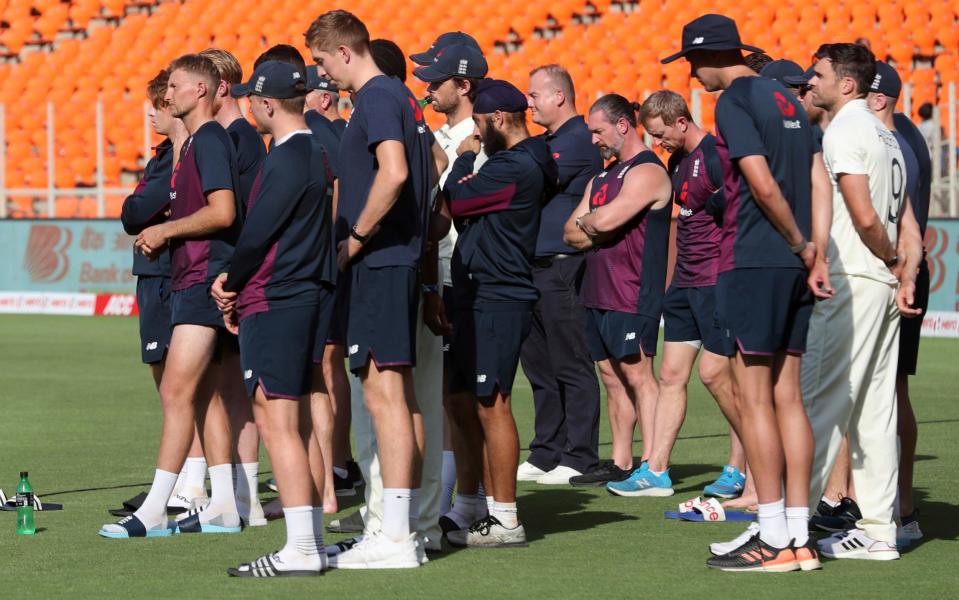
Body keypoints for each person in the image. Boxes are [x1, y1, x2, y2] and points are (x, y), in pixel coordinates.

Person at [662, 14, 824, 572]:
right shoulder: (786, 96)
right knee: (789, 399)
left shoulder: (733, 102)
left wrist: (799, 242)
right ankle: (800, 537)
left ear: (707, 57)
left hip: (755, 258)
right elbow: (817, 175)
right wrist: (814, 249)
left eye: (690, 63)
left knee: (756, 399)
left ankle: (775, 536)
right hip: (795, 262)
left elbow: (758, 177)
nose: (691, 75)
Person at [305, 10, 433, 569]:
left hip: (381, 262)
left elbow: (397, 172)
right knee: (395, 398)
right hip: (394, 260)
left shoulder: (379, 97)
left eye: (322, 60)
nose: (321, 73)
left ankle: (396, 536)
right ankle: (400, 526)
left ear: (345, 52)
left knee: (384, 397)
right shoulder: (398, 98)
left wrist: (355, 237)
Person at [101, 53, 241, 538]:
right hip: (194, 277)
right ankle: (223, 504)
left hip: (203, 277)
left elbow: (223, 212)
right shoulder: (199, 142)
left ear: (199, 91)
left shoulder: (207, 141)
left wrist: (165, 233)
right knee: (203, 395)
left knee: (178, 391)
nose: (166, 96)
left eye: (174, 86)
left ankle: (160, 506)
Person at [211, 59, 335, 577]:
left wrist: (230, 283)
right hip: (303, 293)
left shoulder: (288, 156)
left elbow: (258, 232)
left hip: (277, 297)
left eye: (252, 99)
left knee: (276, 419)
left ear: (265, 103)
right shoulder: (315, 151)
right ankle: (313, 540)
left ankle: (302, 549)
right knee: (296, 418)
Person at [804, 44, 924, 561]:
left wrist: (892, 261)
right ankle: (879, 532)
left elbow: (866, 217)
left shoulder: (846, 130)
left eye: (819, 74)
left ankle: (787, 526)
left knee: (819, 403)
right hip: (881, 284)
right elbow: (911, 224)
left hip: (854, 279)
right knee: (875, 414)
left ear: (847, 85)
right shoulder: (888, 136)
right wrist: (905, 272)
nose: (810, 82)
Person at [443, 78, 558, 548]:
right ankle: (469, 503)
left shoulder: (518, 164)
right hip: (476, 289)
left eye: (480, 124)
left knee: (493, 402)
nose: (476, 132)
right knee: (460, 399)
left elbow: (455, 198)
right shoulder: (519, 160)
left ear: (499, 120)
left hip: (499, 293)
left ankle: (506, 518)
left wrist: (466, 157)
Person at [636, 90, 746, 499]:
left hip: (716, 280)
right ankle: (656, 470)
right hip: (684, 281)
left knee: (717, 375)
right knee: (670, 374)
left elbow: (734, 216)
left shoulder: (717, 156)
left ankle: (743, 464)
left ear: (681, 121)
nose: (657, 142)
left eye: (660, 133)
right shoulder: (678, 160)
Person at [561, 94, 671, 497]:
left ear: (623, 125)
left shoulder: (647, 171)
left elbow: (601, 220)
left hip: (632, 291)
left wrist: (592, 222)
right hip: (597, 291)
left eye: (598, 130)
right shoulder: (603, 177)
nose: (593, 139)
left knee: (640, 376)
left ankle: (654, 465)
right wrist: (595, 224)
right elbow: (570, 233)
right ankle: (622, 461)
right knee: (611, 377)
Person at [119, 70, 208, 514]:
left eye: (160, 102)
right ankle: (184, 480)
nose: (152, 111)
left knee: (179, 384)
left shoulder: (184, 155)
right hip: (156, 274)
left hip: (168, 274)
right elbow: (134, 210)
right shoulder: (166, 155)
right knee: (168, 380)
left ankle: (190, 483)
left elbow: (137, 208)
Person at [412, 41, 492, 533]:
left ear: (463, 86)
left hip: (465, 274)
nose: (426, 87)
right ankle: (456, 497)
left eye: (436, 80)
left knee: (468, 397)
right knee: (448, 395)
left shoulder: (475, 139)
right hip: (444, 273)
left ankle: (474, 498)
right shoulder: (446, 136)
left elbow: (458, 210)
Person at [520, 64, 604, 486]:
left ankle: (580, 454)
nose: (528, 103)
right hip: (533, 266)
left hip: (562, 264)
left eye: (534, 95)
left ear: (559, 96)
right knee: (539, 365)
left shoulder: (579, 141)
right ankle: (546, 450)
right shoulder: (546, 142)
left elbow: (534, 180)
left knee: (570, 362)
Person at [199, 46, 268, 529]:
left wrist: (235, 278)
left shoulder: (238, 139)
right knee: (227, 388)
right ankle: (240, 498)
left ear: (221, 86)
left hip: (230, 276)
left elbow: (240, 214)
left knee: (230, 390)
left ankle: (237, 497)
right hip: (228, 273)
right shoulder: (233, 138)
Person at [866, 59, 928, 547]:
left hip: (893, 272)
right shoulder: (903, 136)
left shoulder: (895, 144)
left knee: (885, 394)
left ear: (879, 98)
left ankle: (897, 509)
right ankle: (898, 507)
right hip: (901, 269)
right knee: (889, 391)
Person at [305, 66, 346, 138]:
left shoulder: (325, 139)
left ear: (325, 100)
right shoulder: (349, 133)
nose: (298, 102)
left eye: (303, 97)